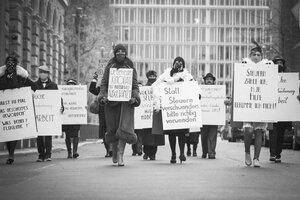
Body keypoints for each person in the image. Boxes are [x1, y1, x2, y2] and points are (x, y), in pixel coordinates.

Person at [98, 44, 140, 166]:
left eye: (122, 51)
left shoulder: (130, 66)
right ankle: (115, 150)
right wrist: (103, 96)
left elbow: (135, 86)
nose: (120, 53)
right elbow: (104, 84)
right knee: (113, 129)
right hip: (111, 104)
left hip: (126, 104)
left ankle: (121, 154)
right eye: (118, 51)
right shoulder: (109, 66)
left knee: (124, 129)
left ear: (125, 53)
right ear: (115, 53)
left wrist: (135, 97)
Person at [152, 56, 194, 164]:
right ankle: (173, 154)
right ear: (173, 63)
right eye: (176, 62)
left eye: (180, 62)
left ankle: (182, 153)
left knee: (181, 133)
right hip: (170, 110)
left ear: (183, 65)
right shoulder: (166, 75)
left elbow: (194, 88)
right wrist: (159, 97)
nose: (178, 63)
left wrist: (197, 95)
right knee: (171, 134)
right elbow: (156, 85)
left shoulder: (187, 76)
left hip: (181, 109)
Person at [240, 43, 273, 167]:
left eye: (258, 55)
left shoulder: (267, 66)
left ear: (261, 56)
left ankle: (256, 158)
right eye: (253, 54)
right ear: (250, 56)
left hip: (260, 104)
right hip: (248, 103)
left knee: (259, 132)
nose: (256, 57)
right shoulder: (245, 66)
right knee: (248, 130)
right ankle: (247, 152)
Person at [0, 55, 36, 164]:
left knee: (14, 132)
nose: (10, 64)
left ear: (16, 65)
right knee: (6, 131)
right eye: (8, 62)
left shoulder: (21, 77)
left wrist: (28, 95)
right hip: (5, 109)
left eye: (12, 62)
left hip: (16, 110)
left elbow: (33, 86)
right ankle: (10, 152)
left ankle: (11, 154)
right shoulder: (1, 77)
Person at [269, 56, 299, 163]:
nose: (279, 64)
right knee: (273, 133)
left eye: (281, 62)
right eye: (277, 62)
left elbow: (293, 91)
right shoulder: (268, 77)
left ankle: (278, 154)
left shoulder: (288, 78)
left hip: (283, 112)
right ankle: (272, 153)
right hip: (272, 111)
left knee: (280, 134)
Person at [35, 65, 60, 162]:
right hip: (39, 113)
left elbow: (57, 97)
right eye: (41, 72)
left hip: (49, 113)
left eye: (44, 72)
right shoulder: (35, 85)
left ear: (47, 74)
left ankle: (48, 154)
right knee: (39, 135)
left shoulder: (53, 85)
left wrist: (61, 106)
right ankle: (41, 155)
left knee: (48, 134)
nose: (42, 74)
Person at [140, 70, 165, 160]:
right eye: (150, 76)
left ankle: (153, 154)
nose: (152, 78)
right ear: (147, 77)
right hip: (146, 115)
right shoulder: (144, 88)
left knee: (156, 136)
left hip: (156, 114)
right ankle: (146, 152)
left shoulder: (159, 87)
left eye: (154, 76)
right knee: (146, 135)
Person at [89, 72, 112, 157]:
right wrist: (94, 79)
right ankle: (108, 150)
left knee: (112, 130)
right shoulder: (102, 89)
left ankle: (112, 149)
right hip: (103, 113)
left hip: (113, 112)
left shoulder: (116, 88)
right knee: (104, 132)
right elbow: (92, 90)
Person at [200, 73, 220, 159]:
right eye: (207, 79)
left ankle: (211, 153)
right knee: (204, 136)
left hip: (214, 118)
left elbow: (221, 101)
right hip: (203, 118)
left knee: (212, 136)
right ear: (204, 81)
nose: (209, 80)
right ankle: (205, 151)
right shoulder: (200, 90)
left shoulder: (218, 91)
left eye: (210, 79)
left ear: (213, 81)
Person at [62, 79, 81, 159]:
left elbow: (82, 103)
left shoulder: (79, 95)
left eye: (72, 84)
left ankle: (75, 152)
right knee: (68, 135)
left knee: (76, 134)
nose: (71, 86)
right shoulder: (63, 94)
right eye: (69, 84)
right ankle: (69, 152)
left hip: (75, 117)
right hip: (66, 117)